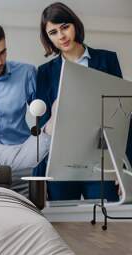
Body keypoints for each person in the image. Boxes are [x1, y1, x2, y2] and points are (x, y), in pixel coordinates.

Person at [34, 2, 127, 201]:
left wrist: (123, 166)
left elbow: (120, 115)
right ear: (48, 37)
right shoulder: (44, 72)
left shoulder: (107, 60)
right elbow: (43, 124)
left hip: (101, 160)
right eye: (53, 32)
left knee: (106, 221)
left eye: (65, 27)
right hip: (61, 162)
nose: (61, 36)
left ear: (75, 25)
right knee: (64, 224)